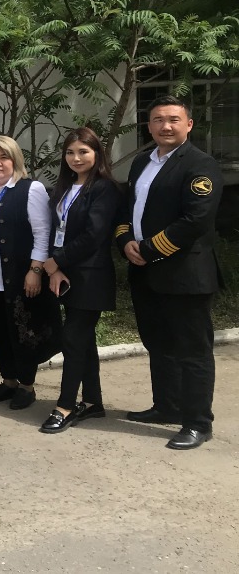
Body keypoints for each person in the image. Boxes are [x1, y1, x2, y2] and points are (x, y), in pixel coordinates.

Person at [116, 95, 223, 450]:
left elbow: (196, 220)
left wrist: (148, 249)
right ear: (149, 126)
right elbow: (129, 208)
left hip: (185, 274)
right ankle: (167, 406)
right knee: (158, 344)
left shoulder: (200, 164)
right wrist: (126, 241)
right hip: (146, 274)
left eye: (174, 119)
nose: (166, 126)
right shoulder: (142, 162)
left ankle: (197, 422)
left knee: (192, 351)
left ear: (188, 124)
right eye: (158, 120)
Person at [39, 128, 123, 434]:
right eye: (70, 152)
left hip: (90, 276)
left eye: (83, 152)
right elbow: (55, 230)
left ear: (97, 154)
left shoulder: (105, 188)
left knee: (73, 338)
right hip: (64, 273)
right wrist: (54, 269)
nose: (76, 158)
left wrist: (57, 261)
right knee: (83, 339)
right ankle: (92, 401)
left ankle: (64, 406)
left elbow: (94, 235)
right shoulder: (64, 187)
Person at [0, 135, 59, 411]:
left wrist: (35, 270)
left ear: (15, 160)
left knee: (23, 332)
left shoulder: (29, 189)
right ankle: (8, 381)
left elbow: (43, 232)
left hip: (19, 274)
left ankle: (26, 386)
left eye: (4, 157)